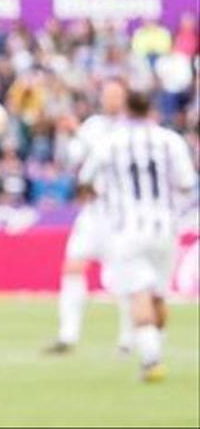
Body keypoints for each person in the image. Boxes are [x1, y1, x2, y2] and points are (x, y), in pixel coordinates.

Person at [77, 89, 198, 383]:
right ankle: (156, 345)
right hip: (165, 227)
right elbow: (186, 183)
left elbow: (85, 179)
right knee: (158, 294)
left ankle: (151, 360)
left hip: (128, 228)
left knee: (138, 294)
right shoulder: (170, 140)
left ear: (127, 110)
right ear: (151, 109)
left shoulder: (111, 142)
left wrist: (103, 195)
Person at [45, 79, 133, 355]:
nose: (111, 100)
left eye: (116, 95)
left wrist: (78, 132)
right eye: (107, 94)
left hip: (122, 213)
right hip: (93, 211)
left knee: (125, 278)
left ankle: (127, 339)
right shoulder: (94, 124)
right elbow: (73, 159)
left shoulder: (131, 128)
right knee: (73, 266)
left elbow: (109, 156)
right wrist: (66, 135)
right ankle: (67, 335)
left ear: (125, 98)